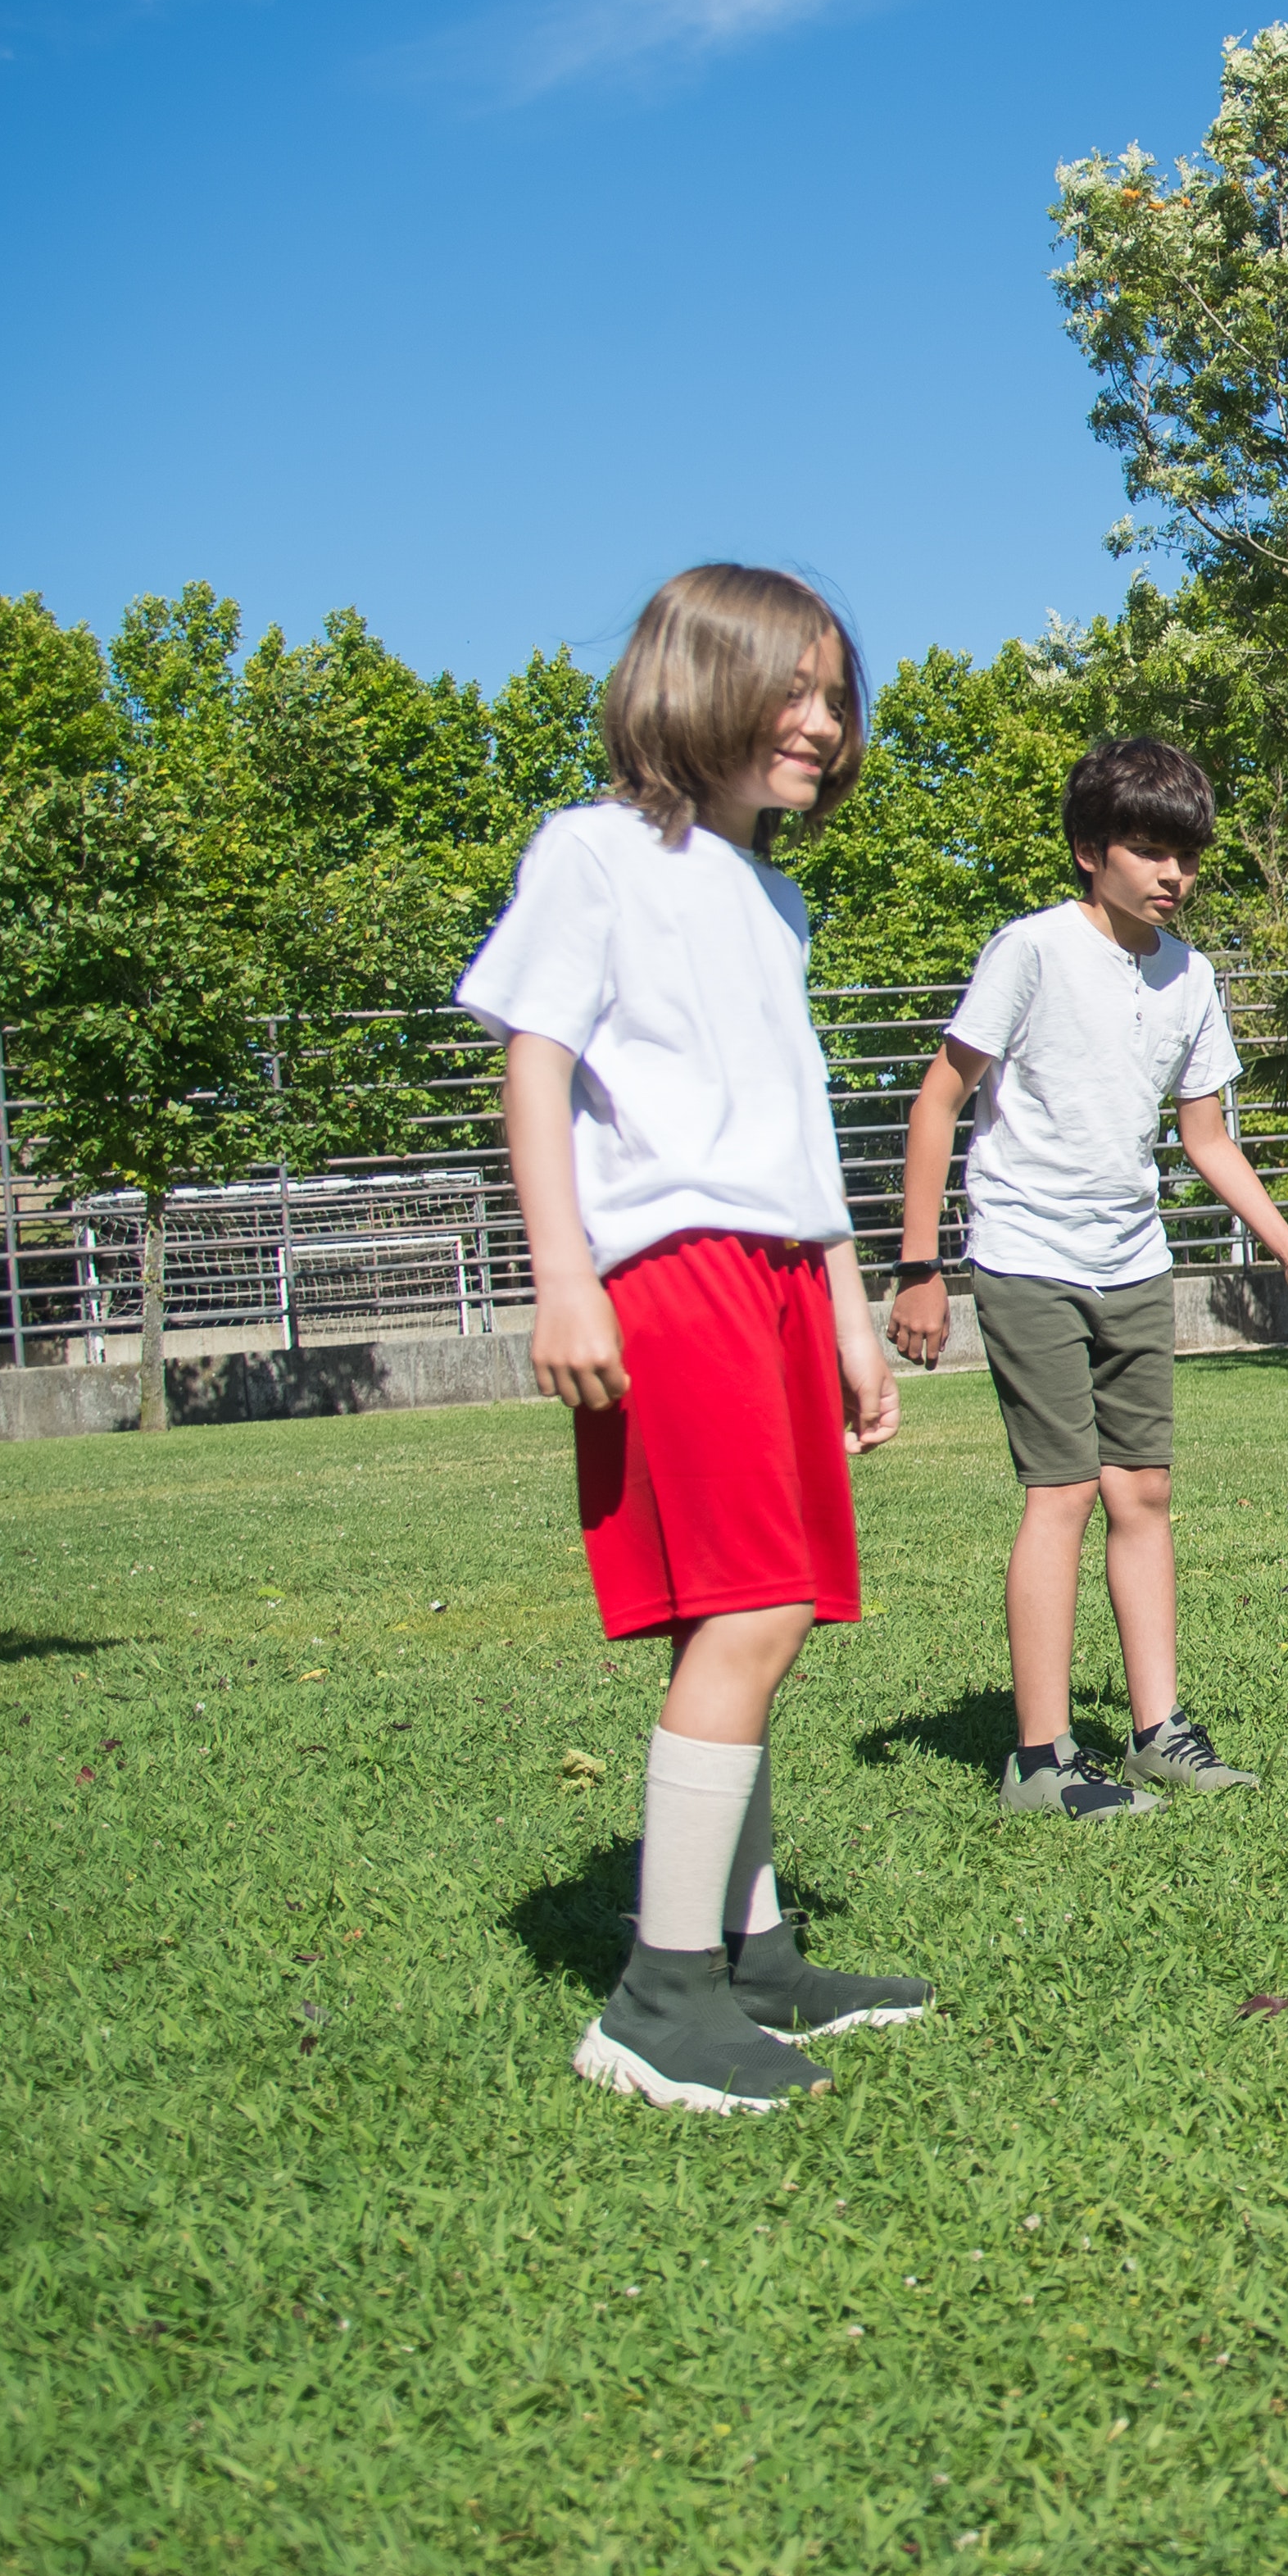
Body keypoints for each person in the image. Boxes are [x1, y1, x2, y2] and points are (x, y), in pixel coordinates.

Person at [461, 562, 932, 2115]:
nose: (821, 723)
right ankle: (660, 2001)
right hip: (672, 1270)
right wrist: (561, 1273)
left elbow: (794, 1120)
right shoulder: (595, 853)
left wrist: (853, 1303)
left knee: (754, 1613)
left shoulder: (770, 893)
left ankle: (756, 1952)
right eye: (789, 690)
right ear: (694, 683)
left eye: (833, 695)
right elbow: (537, 1061)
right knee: (752, 1608)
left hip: (787, 1277)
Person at [886, 738, 1288, 1819]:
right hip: (1024, 1254)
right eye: (1148, 850)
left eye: (1185, 854)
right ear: (1092, 851)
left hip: (1131, 1260)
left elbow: (1208, 1139)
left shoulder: (1188, 975)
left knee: (1142, 1490)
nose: (1171, 874)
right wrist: (919, 1269)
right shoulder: (1032, 951)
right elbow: (937, 1099)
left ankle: (1157, 1733)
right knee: (1062, 1491)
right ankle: (1040, 1760)